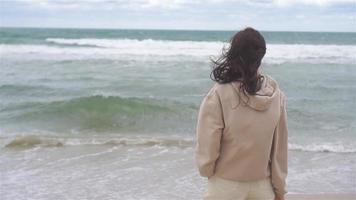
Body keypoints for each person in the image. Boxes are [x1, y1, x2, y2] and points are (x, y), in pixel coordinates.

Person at [195, 27, 288, 200]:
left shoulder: (219, 93)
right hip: (263, 187)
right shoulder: (276, 95)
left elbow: (208, 142)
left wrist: (206, 169)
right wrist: (279, 189)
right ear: (261, 56)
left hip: (225, 185)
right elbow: (279, 151)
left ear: (234, 53)